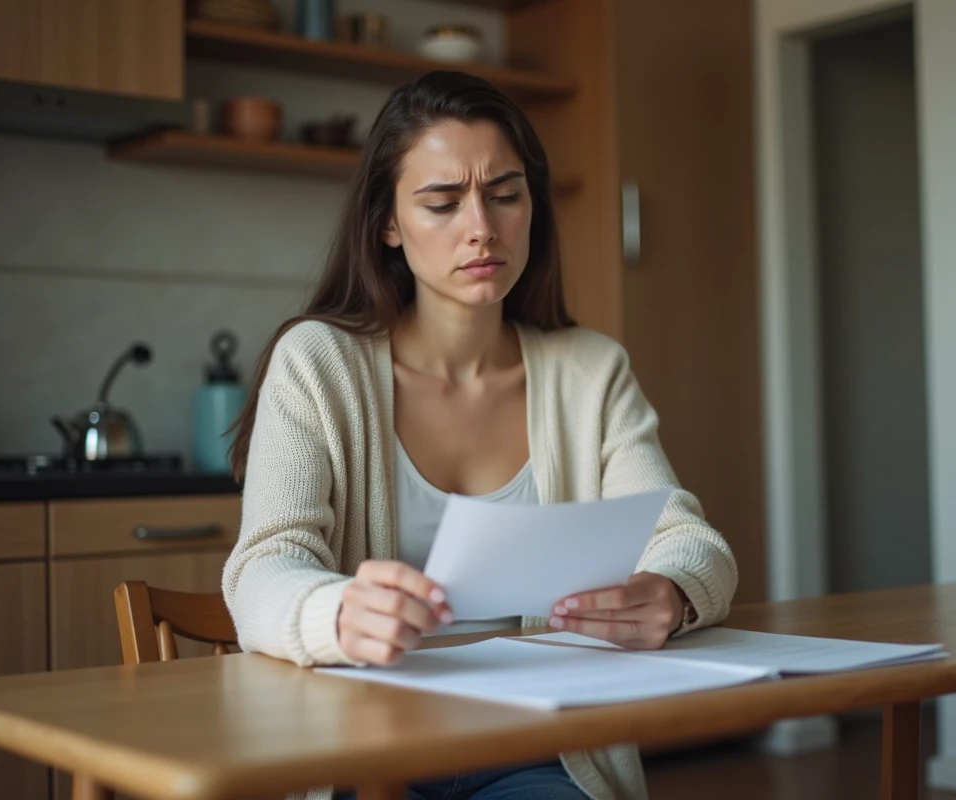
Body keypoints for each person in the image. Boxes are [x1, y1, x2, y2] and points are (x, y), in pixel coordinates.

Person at [222, 70, 738, 800]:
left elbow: (689, 540)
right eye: (442, 201)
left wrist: (674, 593)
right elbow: (263, 570)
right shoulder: (318, 362)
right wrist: (334, 611)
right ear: (389, 223)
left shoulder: (590, 371)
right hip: (367, 757)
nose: (482, 228)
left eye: (504, 194)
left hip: (539, 754)